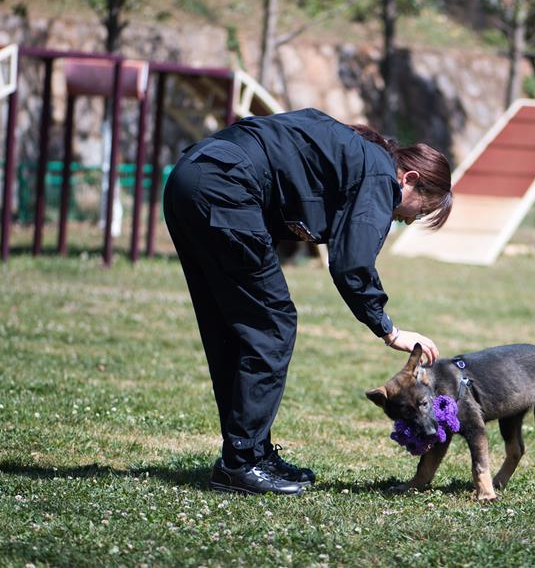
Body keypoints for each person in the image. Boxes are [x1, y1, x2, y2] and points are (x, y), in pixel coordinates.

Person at [163, 108, 453, 495]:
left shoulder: (356, 155)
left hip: (189, 178)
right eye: (422, 210)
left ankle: (250, 453)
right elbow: (352, 265)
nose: (411, 221)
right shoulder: (380, 175)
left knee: (233, 327)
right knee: (271, 325)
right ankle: (241, 464)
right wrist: (389, 329)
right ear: (410, 179)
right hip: (224, 187)